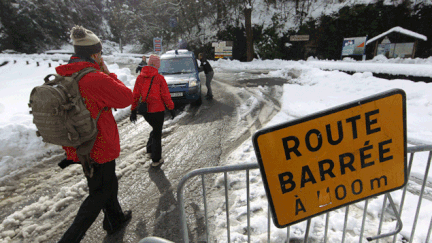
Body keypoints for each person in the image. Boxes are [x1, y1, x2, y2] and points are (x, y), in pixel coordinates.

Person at [56, 25, 133, 242]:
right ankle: (69, 238)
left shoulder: (66, 75)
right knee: (99, 192)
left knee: (105, 184)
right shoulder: (95, 79)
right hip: (99, 145)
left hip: (80, 143)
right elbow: (126, 97)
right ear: (95, 54)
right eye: (100, 53)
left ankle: (114, 219)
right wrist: (107, 72)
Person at [130, 54, 175, 167]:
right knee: (157, 134)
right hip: (158, 111)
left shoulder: (140, 78)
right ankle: (156, 159)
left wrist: (133, 110)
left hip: (146, 112)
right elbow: (166, 96)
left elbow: (135, 95)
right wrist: (171, 108)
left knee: (155, 129)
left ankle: (150, 149)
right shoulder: (159, 78)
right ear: (157, 65)